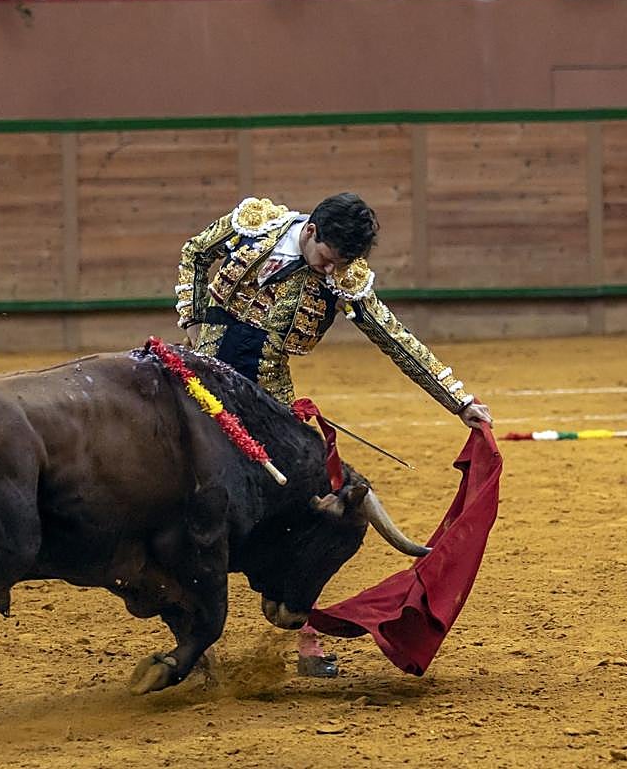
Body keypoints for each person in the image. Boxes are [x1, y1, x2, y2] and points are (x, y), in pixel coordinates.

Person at [176, 192, 492, 677]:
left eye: (339, 265)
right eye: (326, 259)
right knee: (173, 492)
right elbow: (196, 252)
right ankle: (190, 638)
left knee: (307, 507)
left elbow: (393, 337)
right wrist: (194, 318)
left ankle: (304, 633)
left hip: (267, 395)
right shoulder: (257, 224)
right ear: (310, 232)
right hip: (202, 373)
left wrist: (460, 401)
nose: (329, 272)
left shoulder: (342, 276)